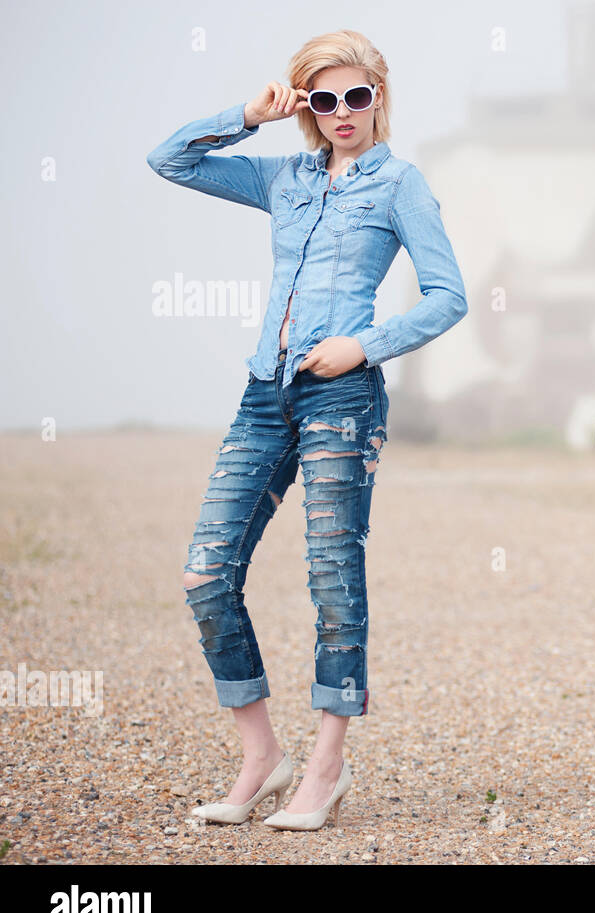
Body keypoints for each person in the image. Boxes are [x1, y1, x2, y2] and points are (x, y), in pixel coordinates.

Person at [145, 29, 468, 830]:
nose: (342, 112)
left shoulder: (400, 186)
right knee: (205, 573)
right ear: (308, 107)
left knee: (331, 576)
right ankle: (263, 757)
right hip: (265, 394)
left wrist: (365, 343)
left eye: (356, 96)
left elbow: (447, 294)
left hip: (343, 398)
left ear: (378, 97)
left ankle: (326, 765)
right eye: (324, 99)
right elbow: (170, 160)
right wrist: (246, 115)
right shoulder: (282, 178)